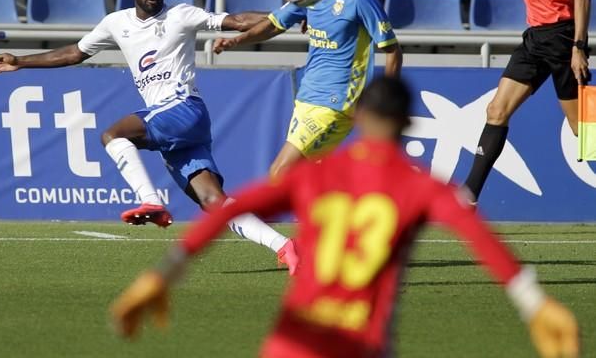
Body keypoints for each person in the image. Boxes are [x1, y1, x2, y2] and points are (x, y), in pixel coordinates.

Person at [111, 77, 579, 358]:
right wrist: (533, 302)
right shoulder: (421, 186)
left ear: (359, 117)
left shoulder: (318, 175)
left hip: (292, 341)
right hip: (358, 342)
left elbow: (228, 210)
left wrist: (164, 275)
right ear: (405, 125)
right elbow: (479, 238)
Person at [0, 0, 299, 272]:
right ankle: (285, 247)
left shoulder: (181, 15)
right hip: (179, 128)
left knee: (112, 135)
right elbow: (74, 53)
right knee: (213, 201)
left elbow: (238, 19)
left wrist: (290, 13)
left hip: (184, 108)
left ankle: (152, 202)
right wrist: (20, 61)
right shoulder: (116, 23)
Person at [213, 0, 403, 178]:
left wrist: (385, 101)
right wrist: (237, 41)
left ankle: (246, 219)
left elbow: (393, 50)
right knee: (305, 179)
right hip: (307, 97)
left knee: (279, 173)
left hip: (336, 101)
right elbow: (273, 24)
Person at [464, 0, 591, 207]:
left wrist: (578, 47)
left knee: (586, 135)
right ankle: (467, 195)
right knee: (496, 110)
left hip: (562, 40)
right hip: (534, 39)